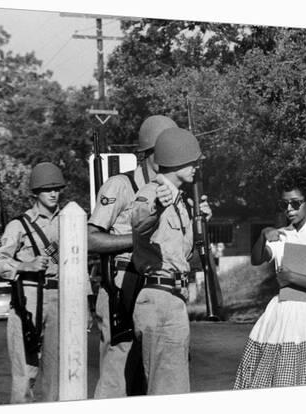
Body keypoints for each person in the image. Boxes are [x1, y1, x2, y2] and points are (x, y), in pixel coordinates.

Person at [234, 166, 306, 389]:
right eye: (284, 204)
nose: (289, 209)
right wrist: (263, 234)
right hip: (281, 315)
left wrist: (292, 277)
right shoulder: (283, 234)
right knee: (275, 380)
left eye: (295, 203)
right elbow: (257, 259)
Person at [89, 115, 177, 398]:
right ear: (149, 152)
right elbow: (91, 238)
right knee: (117, 379)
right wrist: (137, 240)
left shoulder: (174, 193)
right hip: (122, 291)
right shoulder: (121, 186)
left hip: (157, 293)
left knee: (155, 378)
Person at [131, 127, 212, 395]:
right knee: (165, 392)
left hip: (175, 297)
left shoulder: (181, 203)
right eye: (192, 161)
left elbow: (184, 256)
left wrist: (200, 224)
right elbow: (139, 220)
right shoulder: (152, 192)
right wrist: (155, 207)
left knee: (175, 388)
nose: (195, 168)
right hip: (159, 297)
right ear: (176, 160)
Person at [0, 162, 65, 403]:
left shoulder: (71, 220)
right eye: (46, 189)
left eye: (57, 189)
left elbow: (79, 264)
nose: (53, 194)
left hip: (60, 297)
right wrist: (23, 266)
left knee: (57, 375)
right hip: (28, 298)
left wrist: (85, 303)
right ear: (35, 193)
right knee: (25, 372)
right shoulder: (19, 225)